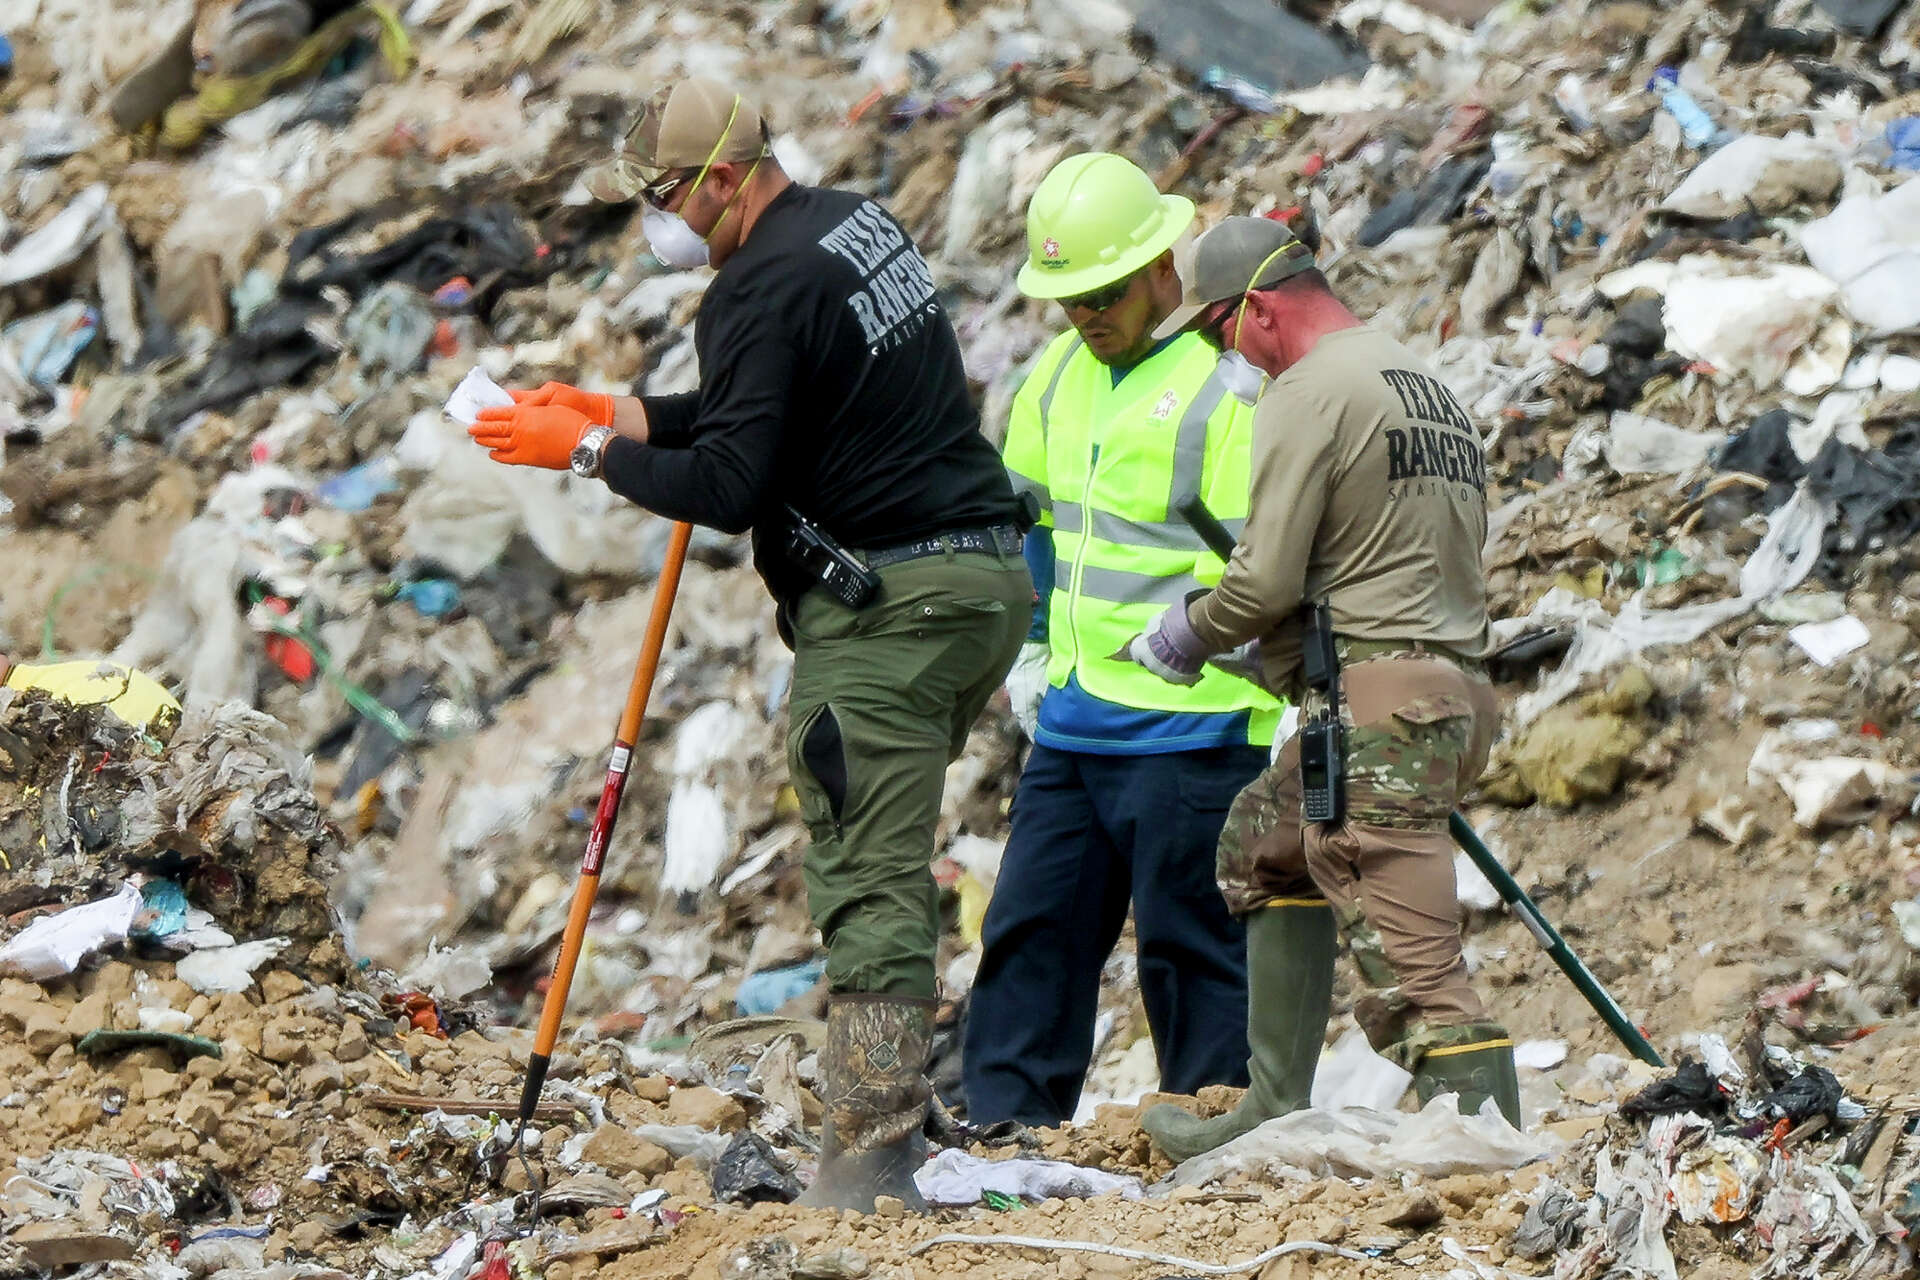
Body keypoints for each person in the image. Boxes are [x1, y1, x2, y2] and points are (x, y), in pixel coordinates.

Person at [465, 76, 1033, 1211]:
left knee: (868, 873)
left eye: (667, 195)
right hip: (978, 582)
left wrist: (578, 455)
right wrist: (618, 412)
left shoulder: (754, 288)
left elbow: (728, 483)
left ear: (724, 178)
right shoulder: (851, 225)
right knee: (890, 841)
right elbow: (765, 410)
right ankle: (897, 1124)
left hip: (890, 610)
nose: (657, 222)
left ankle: (872, 1166)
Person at [1125, 216, 1518, 1161]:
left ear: (1257, 310)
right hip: (1445, 692)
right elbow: (1384, 556)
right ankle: (1273, 1106)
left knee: (1415, 967)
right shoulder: (1422, 383)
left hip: (1378, 712)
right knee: (1265, 843)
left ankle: (1488, 1155)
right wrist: (1289, 649)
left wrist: (1189, 631)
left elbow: (1261, 582)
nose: (1230, 357)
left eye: (1219, 333)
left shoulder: (1306, 391)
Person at [961, 154, 1283, 1128]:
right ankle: (1003, 1146)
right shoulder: (1056, 376)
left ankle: (1211, 1150)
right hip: (1073, 727)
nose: (1086, 314)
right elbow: (1029, 526)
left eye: (1102, 293)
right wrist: (1026, 650)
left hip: (1196, 733)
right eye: (1067, 300)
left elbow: (1263, 560)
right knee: (1030, 943)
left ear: (1159, 268)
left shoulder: (1226, 387)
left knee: (1192, 955)